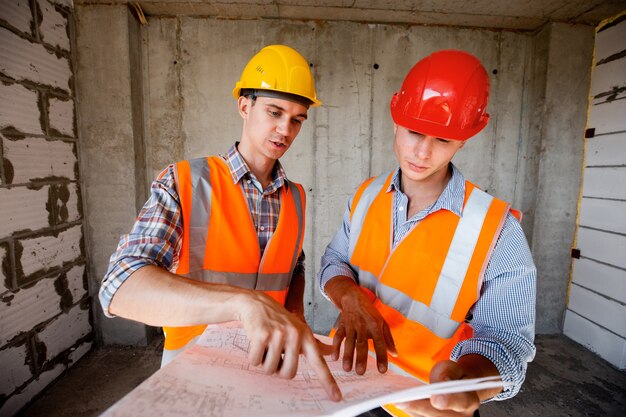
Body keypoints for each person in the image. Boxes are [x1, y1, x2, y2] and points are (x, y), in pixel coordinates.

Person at [100, 44, 341, 402]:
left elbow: (294, 265)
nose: (284, 130)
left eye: (296, 119)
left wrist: (293, 313)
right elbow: (120, 287)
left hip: (270, 364)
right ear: (244, 105)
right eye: (274, 112)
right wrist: (242, 304)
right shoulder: (185, 182)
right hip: (194, 365)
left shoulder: (296, 197)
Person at [319, 49, 536, 416]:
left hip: (429, 405)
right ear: (395, 121)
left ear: (465, 139)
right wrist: (349, 296)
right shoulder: (367, 194)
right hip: (352, 386)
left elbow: (508, 341)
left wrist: (464, 382)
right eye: (414, 131)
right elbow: (335, 261)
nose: (421, 152)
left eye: (443, 140)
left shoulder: (497, 229)